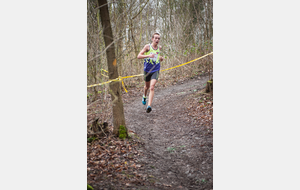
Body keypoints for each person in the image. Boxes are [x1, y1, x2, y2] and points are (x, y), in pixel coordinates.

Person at [137, 32, 164, 113]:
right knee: (146, 87)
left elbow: (157, 56)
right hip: (147, 70)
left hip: (156, 69)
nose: (157, 40)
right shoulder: (147, 47)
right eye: (155, 38)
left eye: (158, 38)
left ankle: (149, 106)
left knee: (152, 87)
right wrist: (148, 55)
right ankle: (144, 96)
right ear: (152, 39)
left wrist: (160, 58)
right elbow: (139, 56)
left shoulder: (159, 48)